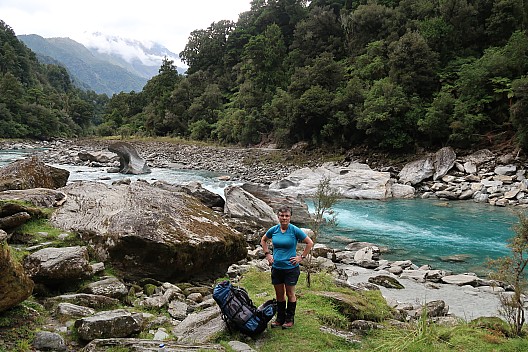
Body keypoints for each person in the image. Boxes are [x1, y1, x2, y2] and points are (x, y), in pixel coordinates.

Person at [260, 205, 314, 329]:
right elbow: (263, 240)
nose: (284, 218)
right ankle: (280, 319)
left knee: (290, 293)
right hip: (277, 267)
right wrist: (268, 255)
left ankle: (289, 319)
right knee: (279, 294)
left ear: (290, 217)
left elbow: (309, 243)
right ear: (278, 216)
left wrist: (301, 257)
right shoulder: (273, 230)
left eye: (287, 216)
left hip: (291, 268)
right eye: (282, 216)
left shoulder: (294, 230)